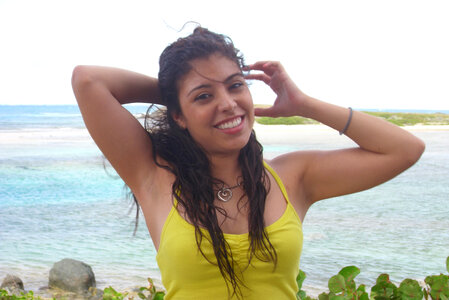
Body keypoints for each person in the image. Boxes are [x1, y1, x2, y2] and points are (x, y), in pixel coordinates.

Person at [71, 27, 425, 299]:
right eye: (205, 96)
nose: (227, 103)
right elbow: (88, 80)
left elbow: (405, 149)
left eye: (235, 86)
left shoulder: (293, 177)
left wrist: (304, 104)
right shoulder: (154, 176)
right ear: (177, 115)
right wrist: (176, 90)